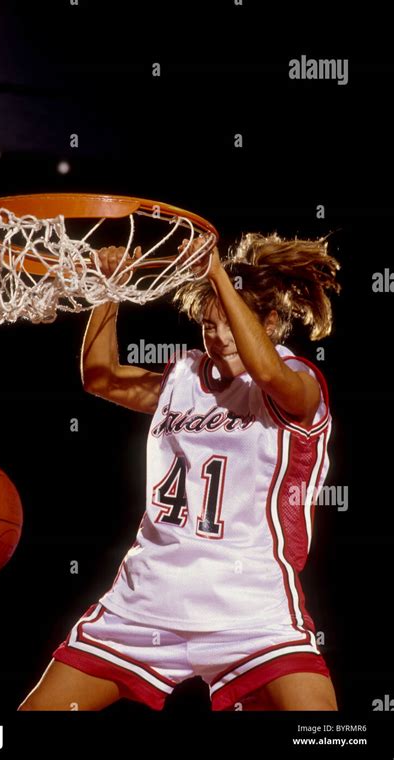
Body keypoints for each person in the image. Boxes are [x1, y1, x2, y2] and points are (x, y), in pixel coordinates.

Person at [18, 230, 341, 711]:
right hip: (147, 598)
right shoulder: (183, 379)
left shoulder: (298, 384)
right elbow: (99, 375)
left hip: (250, 607)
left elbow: (268, 374)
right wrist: (110, 289)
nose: (219, 337)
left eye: (232, 323)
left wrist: (215, 271)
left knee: (329, 738)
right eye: (209, 325)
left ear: (270, 322)